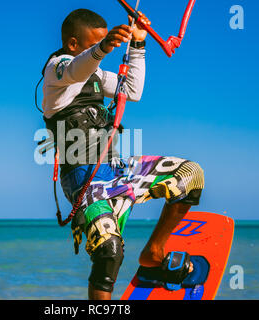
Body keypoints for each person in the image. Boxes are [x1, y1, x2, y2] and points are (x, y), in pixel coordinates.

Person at [39, 8, 204, 300]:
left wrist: (137, 44)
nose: (104, 49)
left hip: (118, 169)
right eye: (95, 44)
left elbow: (132, 91)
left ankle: (153, 252)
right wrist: (102, 48)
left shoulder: (96, 75)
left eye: (104, 43)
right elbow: (77, 68)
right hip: (84, 180)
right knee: (109, 252)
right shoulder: (57, 70)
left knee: (190, 175)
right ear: (74, 44)